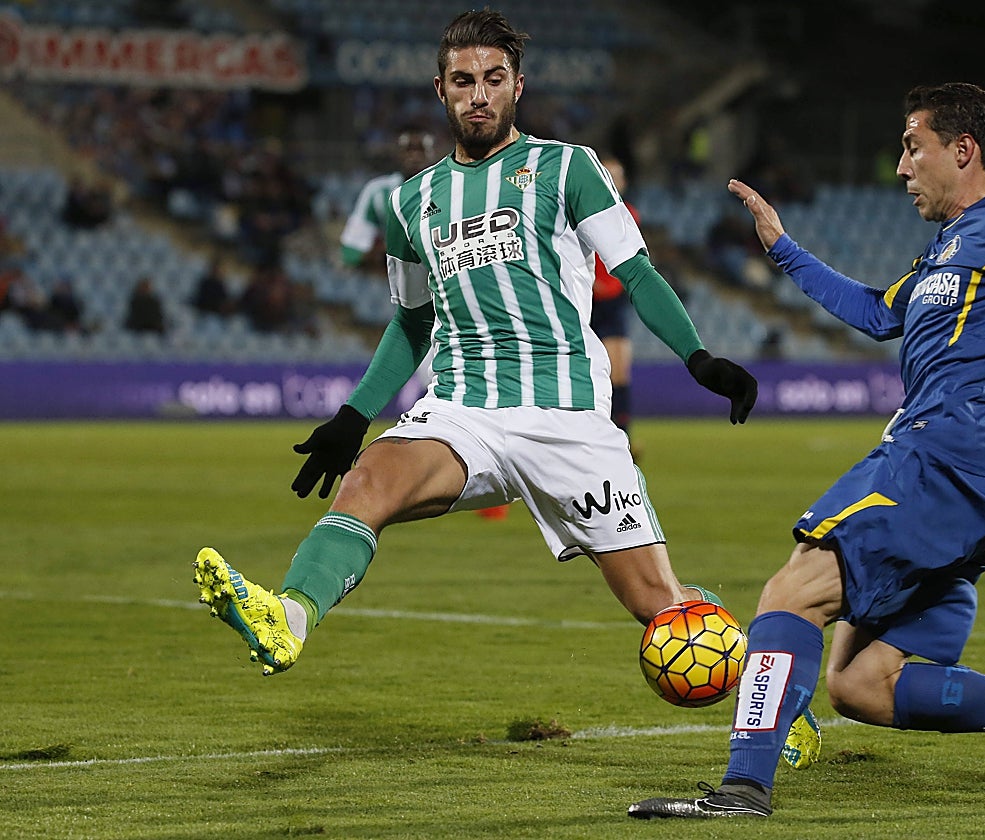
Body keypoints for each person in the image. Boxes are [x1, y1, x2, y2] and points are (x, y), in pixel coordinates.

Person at [193, 11, 757, 689]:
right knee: (368, 479)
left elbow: (635, 271)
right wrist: (354, 415)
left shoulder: (568, 167)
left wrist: (700, 359)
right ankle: (289, 616)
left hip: (567, 417)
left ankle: (777, 693)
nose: (479, 94)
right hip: (465, 410)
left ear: (519, 84)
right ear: (441, 91)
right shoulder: (412, 202)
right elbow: (411, 323)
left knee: (660, 610)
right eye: (464, 81)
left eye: (493, 79)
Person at [629, 82, 985, 820]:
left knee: (789, 593)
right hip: (972, 485)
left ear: (963, 151)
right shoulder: (947, 251)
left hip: (940, 459)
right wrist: (783, 248)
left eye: (912, 145)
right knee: (861, 685)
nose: (900, 166)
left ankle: (742, 789)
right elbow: (874, 312)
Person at [339, 126, 439, 271]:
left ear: (433, 152)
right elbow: (352, 249)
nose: (415, 156)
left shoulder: (450, 187)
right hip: (391, 277)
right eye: (408, 149)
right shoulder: (378, 191)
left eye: (421, 149)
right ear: (398, 153)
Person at [590, 155, 636, 440]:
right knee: (596, 374)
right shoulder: (577, 212)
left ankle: (622, 436)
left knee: (619, 372)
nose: (612, 181)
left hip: (613, 299)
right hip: (586, 298)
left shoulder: (629, 213)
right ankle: (599, 434)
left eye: (616, 175)